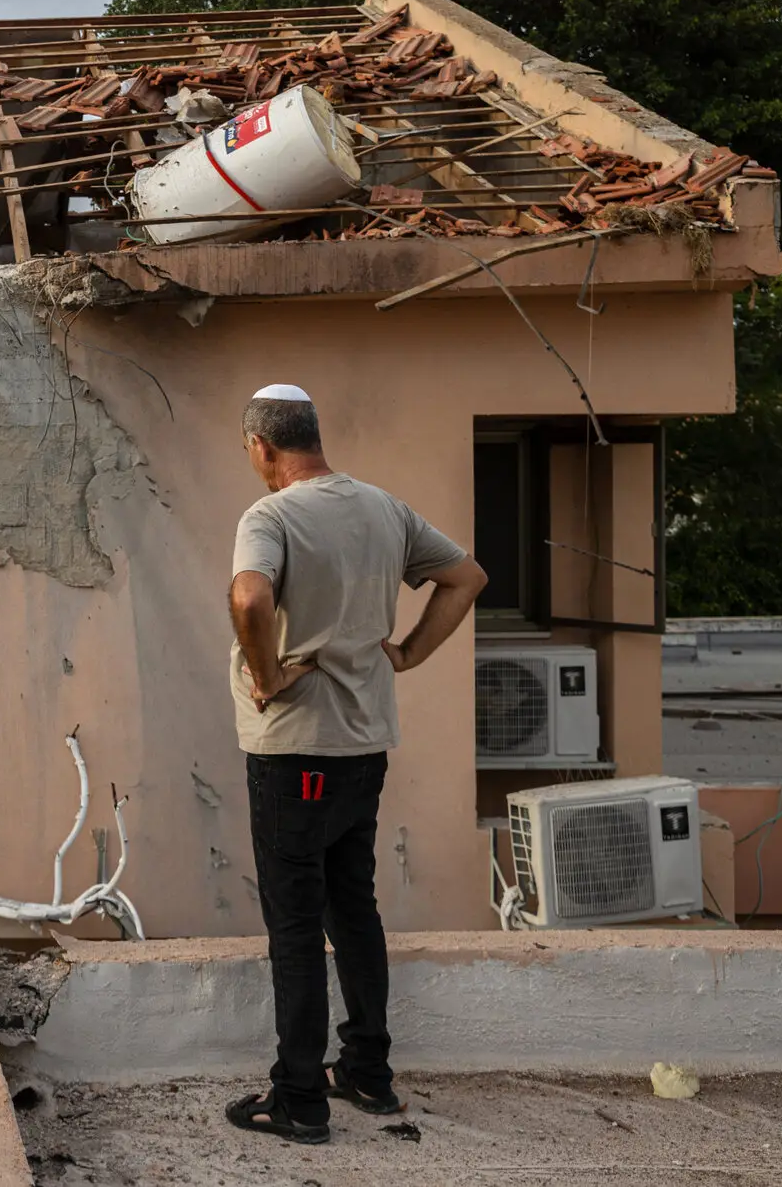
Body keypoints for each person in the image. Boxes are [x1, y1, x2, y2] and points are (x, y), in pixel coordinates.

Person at [222, 384, 487, 1144]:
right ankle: (367, 1074)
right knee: (353, 907)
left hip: (293, 752)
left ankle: (299, 1098)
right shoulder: (385, 509)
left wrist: (268, 677)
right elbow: (467, 578)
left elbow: (248, 600)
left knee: (297, 925)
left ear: (262, 446)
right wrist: (405, 653)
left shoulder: (269, 516)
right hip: (363, 748)